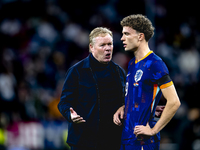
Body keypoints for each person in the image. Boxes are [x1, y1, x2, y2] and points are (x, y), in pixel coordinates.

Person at [113, 14, 181, 150]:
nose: (122, 38)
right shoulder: (132, 63)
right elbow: (139, 97)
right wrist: (124, 108)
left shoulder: (155, 64)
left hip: (143, 141)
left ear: (140, 36)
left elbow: (174, 102)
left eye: (126, 34)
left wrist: (153, 130)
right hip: (127, 138)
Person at [58, 27, 126, 150]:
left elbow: (126, 101)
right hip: (84, 141)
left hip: (112, 141)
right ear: (91, 47)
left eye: (110, 44)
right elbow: (63, 103)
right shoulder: (76, 72)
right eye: (102, 45)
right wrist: (70, 114)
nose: (107, 48)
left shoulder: (119, 72)